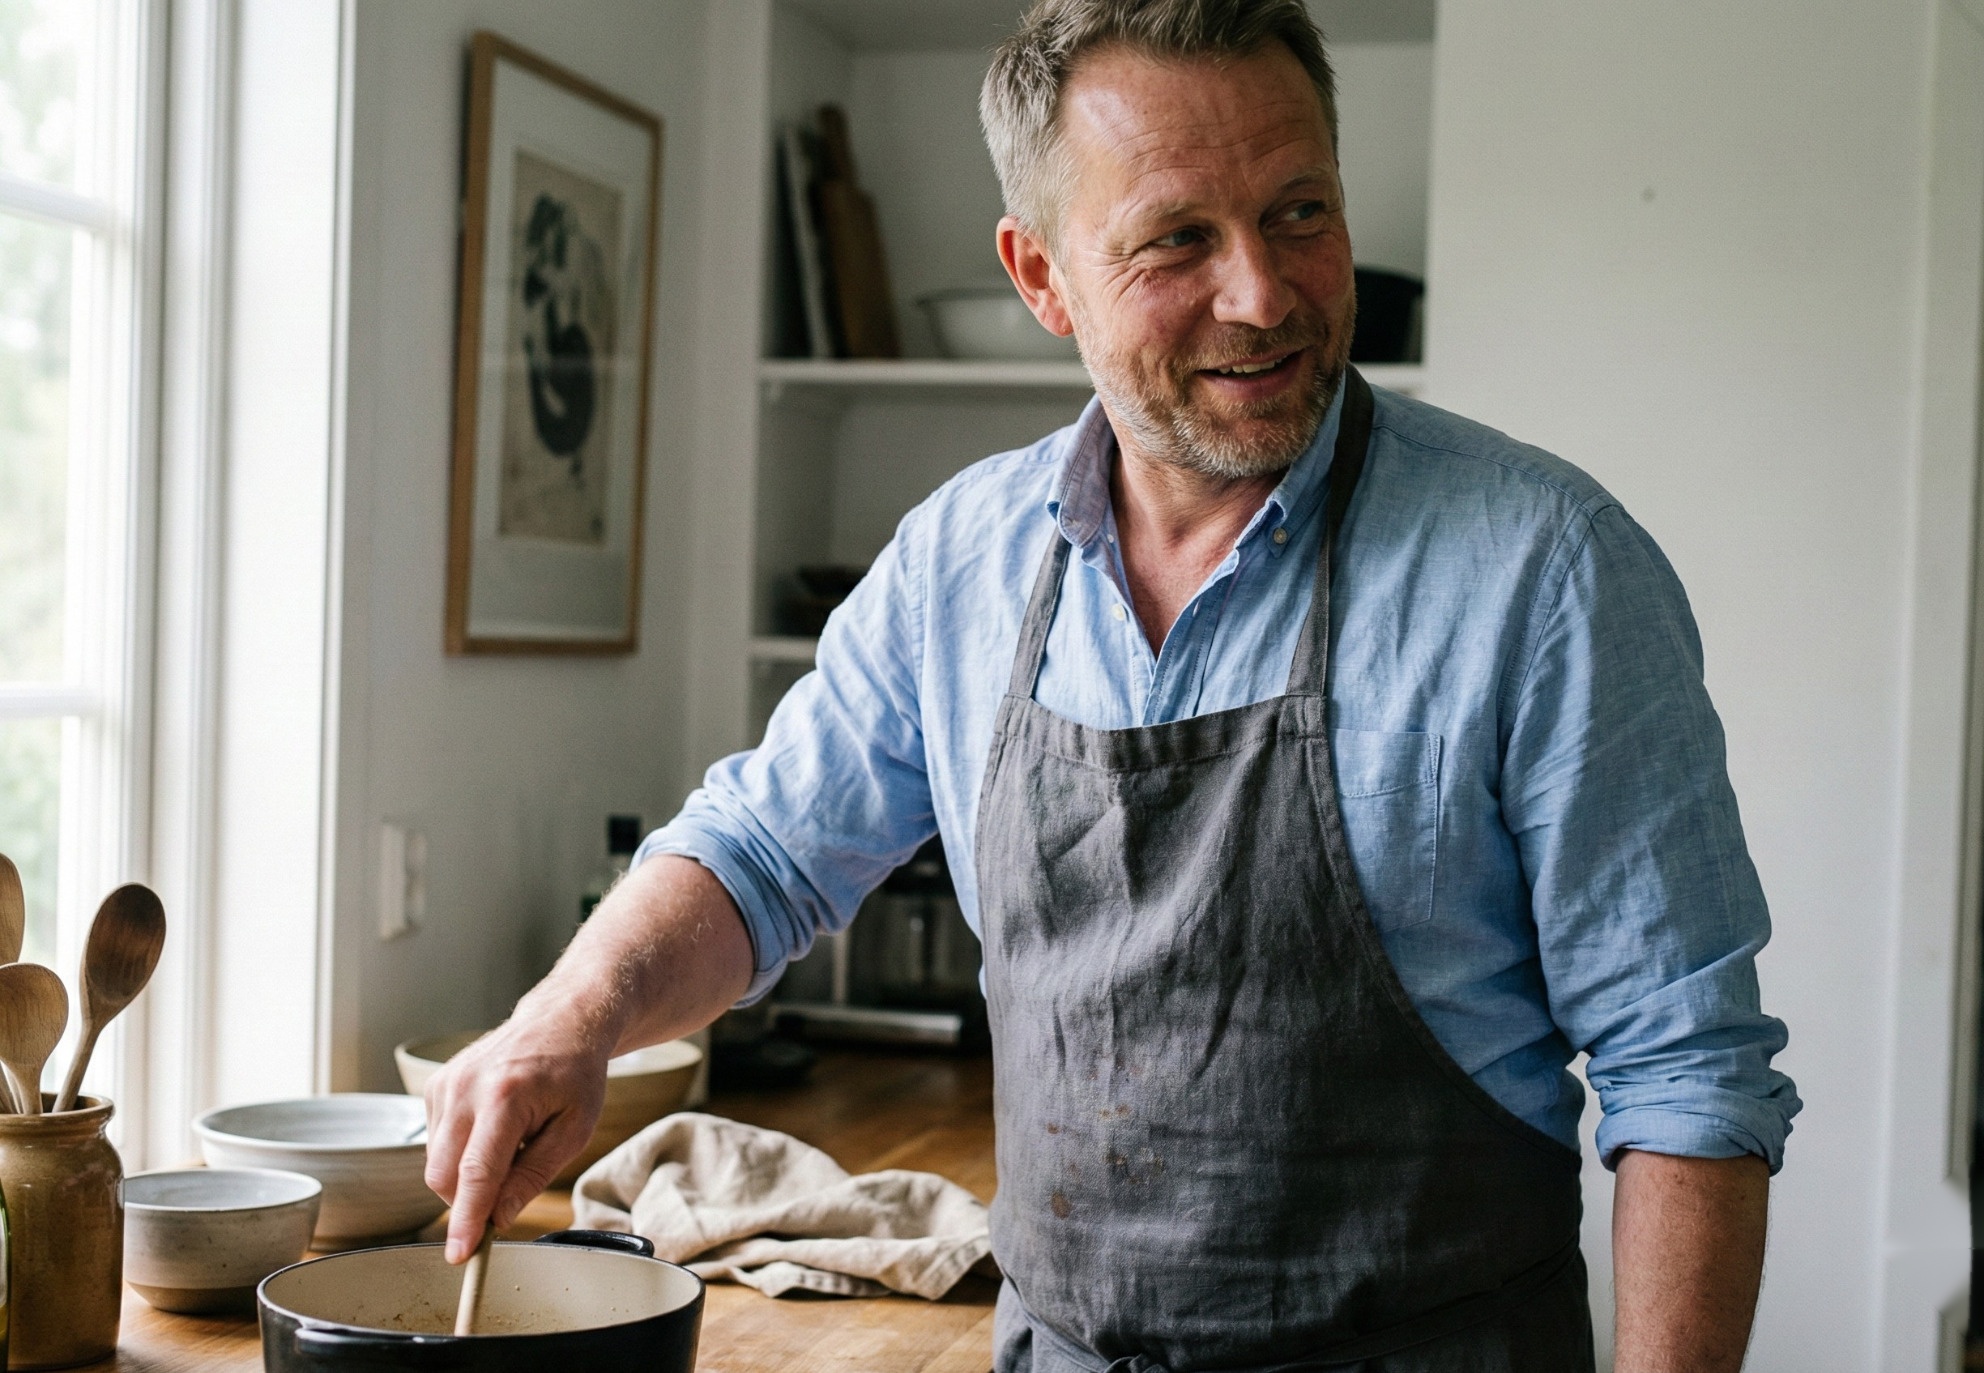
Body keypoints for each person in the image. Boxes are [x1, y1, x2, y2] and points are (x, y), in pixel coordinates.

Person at [423, 2, 1800, 1368]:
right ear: (1042, 276)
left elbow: (1687, 1076)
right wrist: (570, 1016)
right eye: (1179, 239)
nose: (1262, 293)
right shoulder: (960, 561)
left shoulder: (1544, 569)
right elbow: (770, 848)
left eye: (1301, 212)